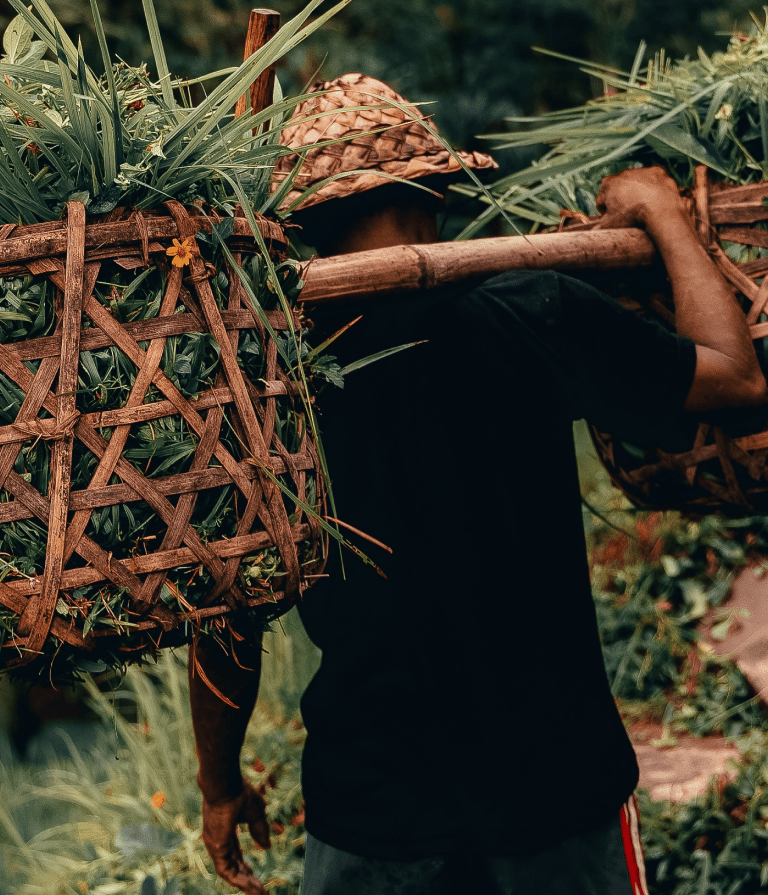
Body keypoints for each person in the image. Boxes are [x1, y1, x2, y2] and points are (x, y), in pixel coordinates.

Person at [188, 75, 767, 895]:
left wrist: (219, 787)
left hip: (372, 813)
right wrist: (667, 214)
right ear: (434, 190)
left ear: (295, 227)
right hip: (554, 794)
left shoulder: (266, 381)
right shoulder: (537, 314)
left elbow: (226, 619)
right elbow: (739, 385)